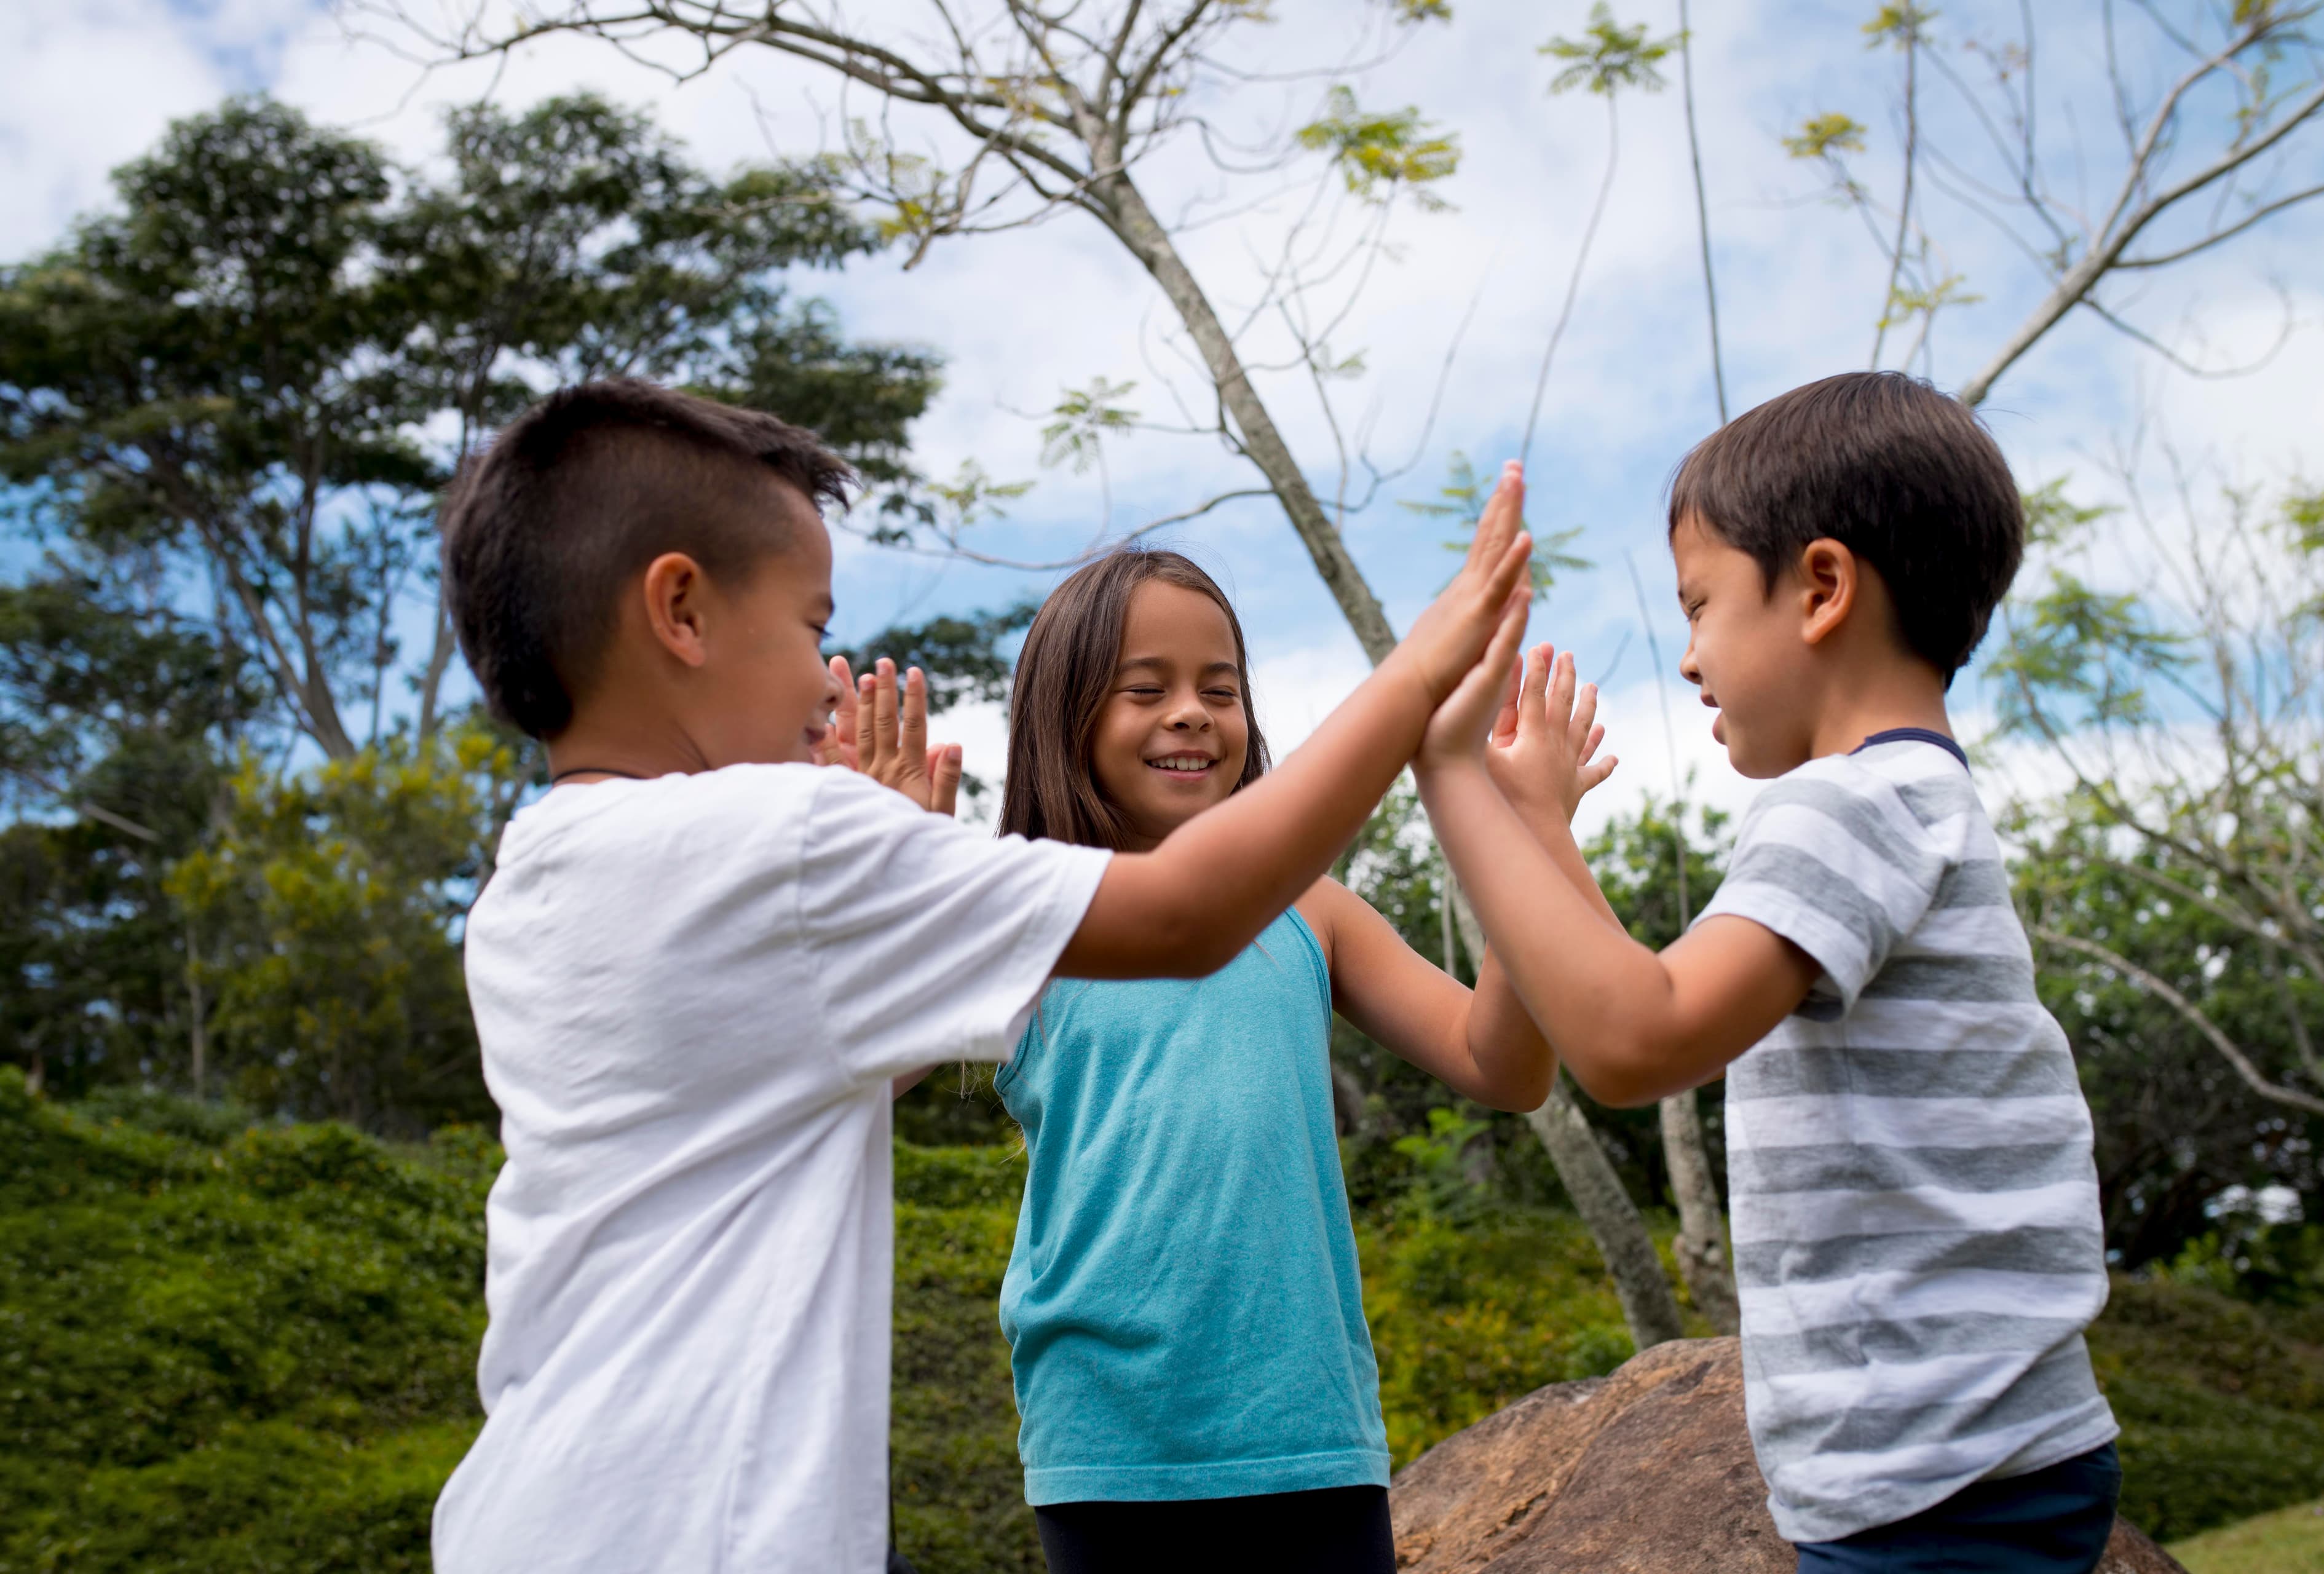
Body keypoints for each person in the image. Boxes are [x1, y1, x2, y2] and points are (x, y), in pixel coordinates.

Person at [424, 378, 1533, 1574]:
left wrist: (871, 889)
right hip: (716, 1524)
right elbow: (1187, 911)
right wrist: (1417, 673)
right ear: (681, 610)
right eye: (812, 627)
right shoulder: (774, 842)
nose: (823, 682)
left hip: (545, 1510)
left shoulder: (532, 884)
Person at [1415, 373, 2122, 1573]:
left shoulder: (1848, 807)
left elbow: (1636, 1041)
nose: (1690, 658)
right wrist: (1540, 828)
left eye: (1701, 607)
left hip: (1938, 1479)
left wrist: (1448, 771)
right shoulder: (1905, 799)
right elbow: (1654, 993)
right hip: (1967, 1459)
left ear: (1823, 588)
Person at [980, 543, 1611, 1573]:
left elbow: (1505, 1068)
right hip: (1107, 1445)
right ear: (1065, 716)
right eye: (1147, 689)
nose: (1191, 713)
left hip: (1310, 1435)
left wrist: (1533, 828)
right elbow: (863, 1079)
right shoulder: (1022, 910)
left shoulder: (1313, 911)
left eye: (1218, 690)